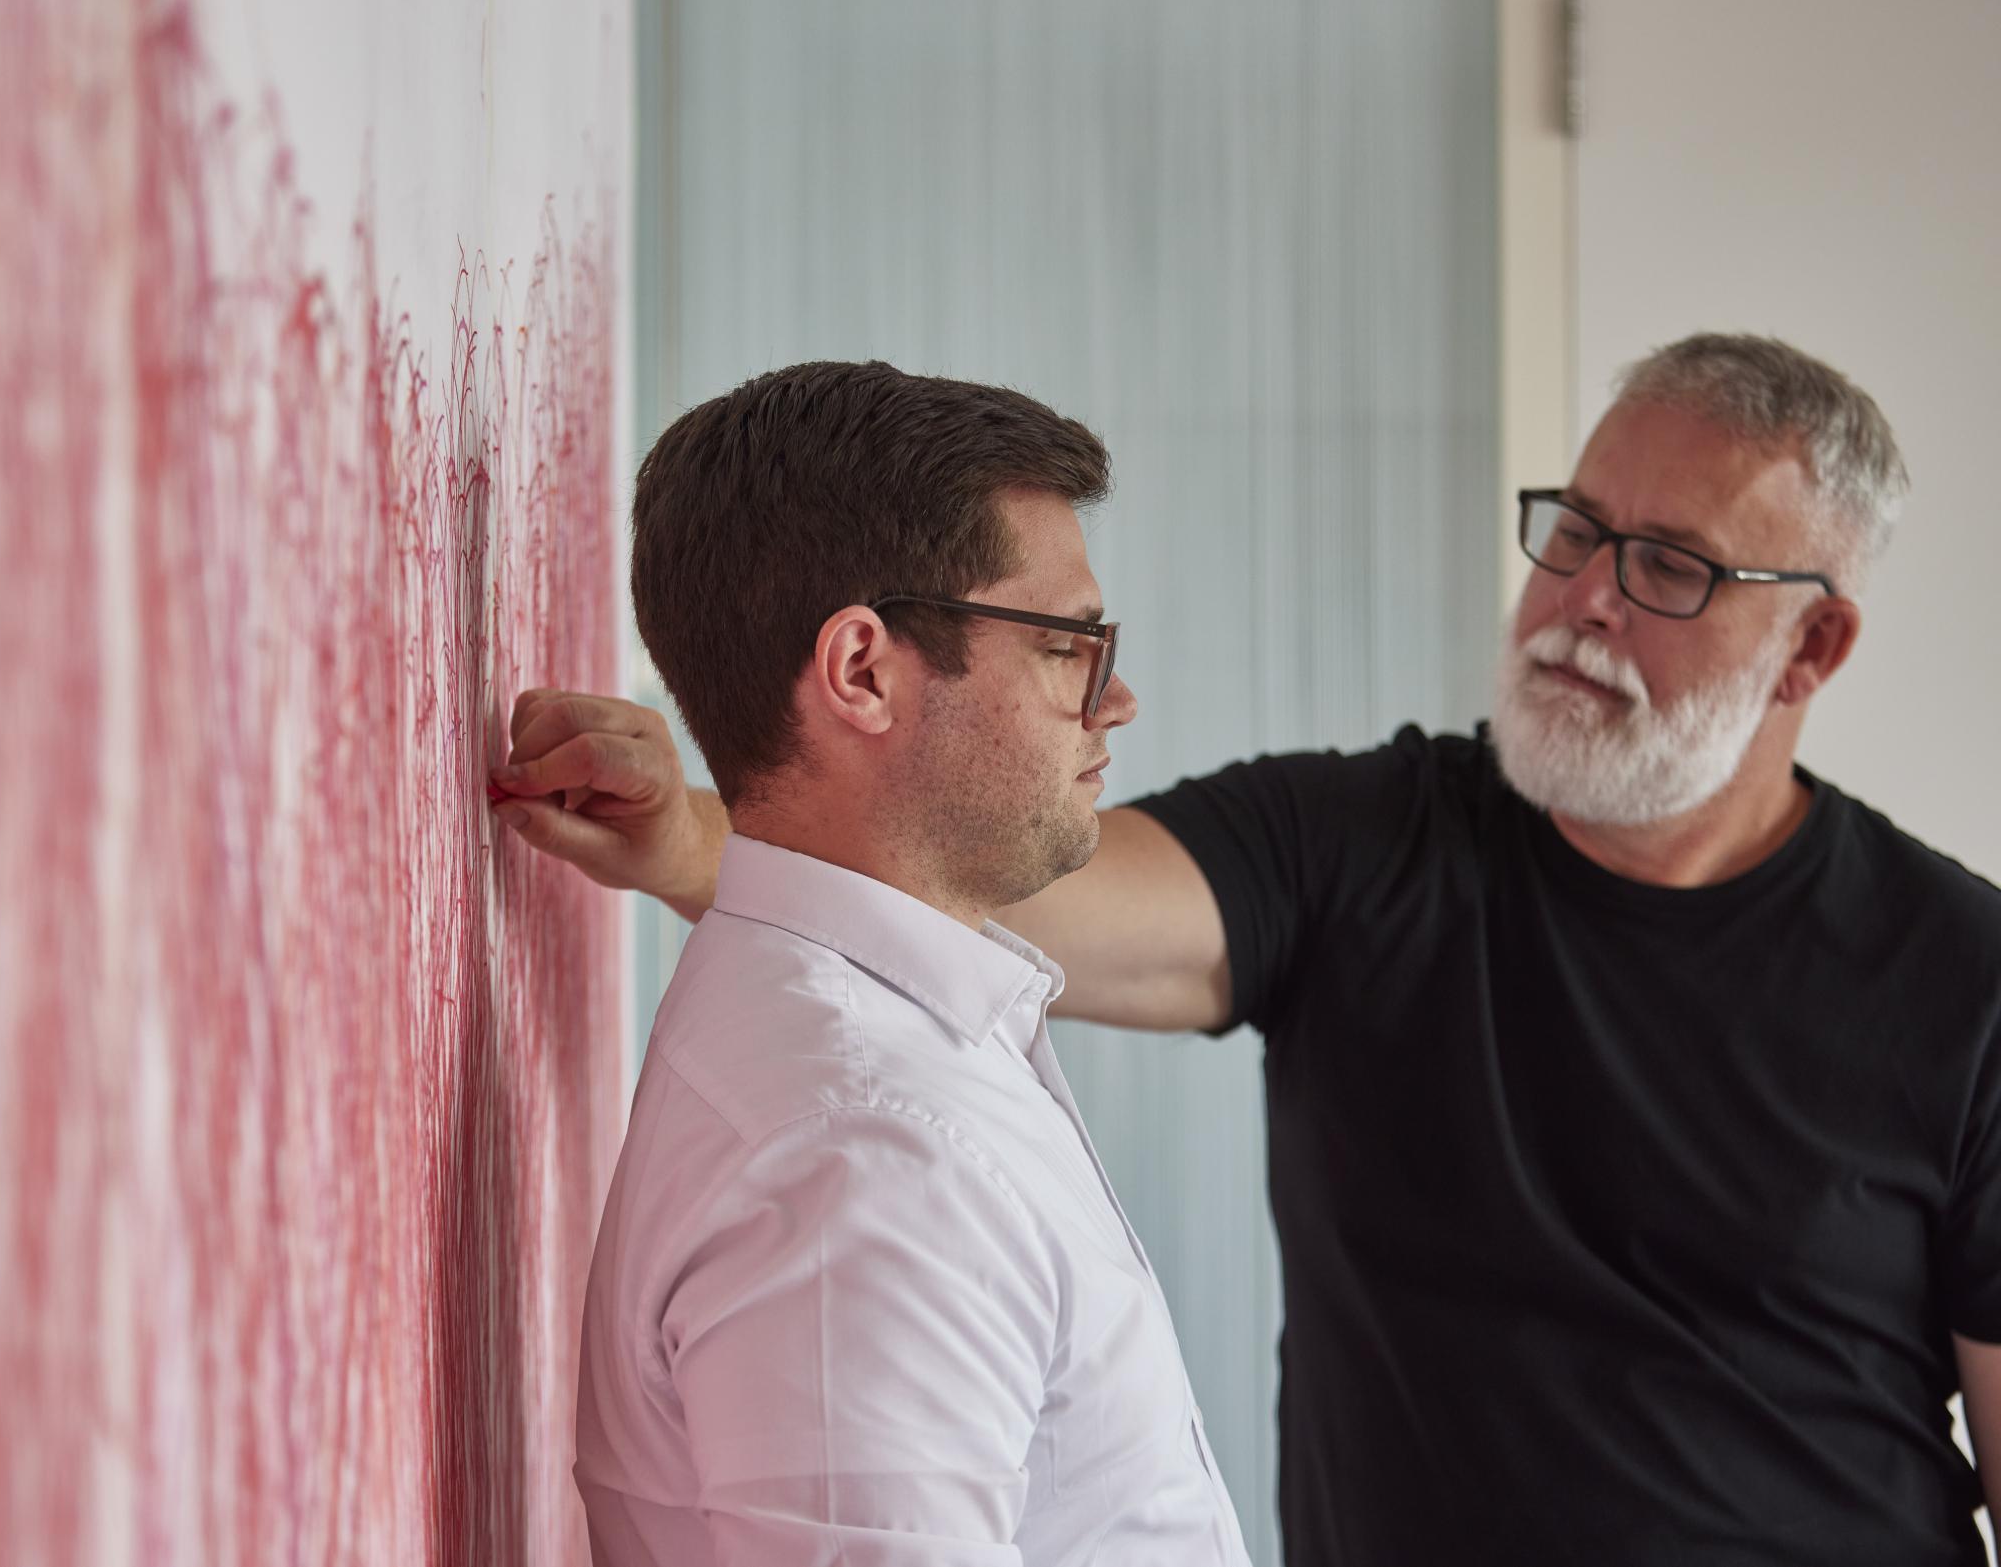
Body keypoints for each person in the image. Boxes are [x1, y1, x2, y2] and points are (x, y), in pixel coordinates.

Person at [496, 335, 2001, 1565]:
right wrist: (702, 824)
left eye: (1670, 565)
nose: (1585, 599)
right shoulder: (1369, 846)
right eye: (1577, 530)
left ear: (1812, 648)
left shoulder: (1967, 982)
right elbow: (962, 874)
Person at [549, 360, 1251, 1564]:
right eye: (1068, 643)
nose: (1117, 698)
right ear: (863, 670)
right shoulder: (862, 1154)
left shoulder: (883, 1063)